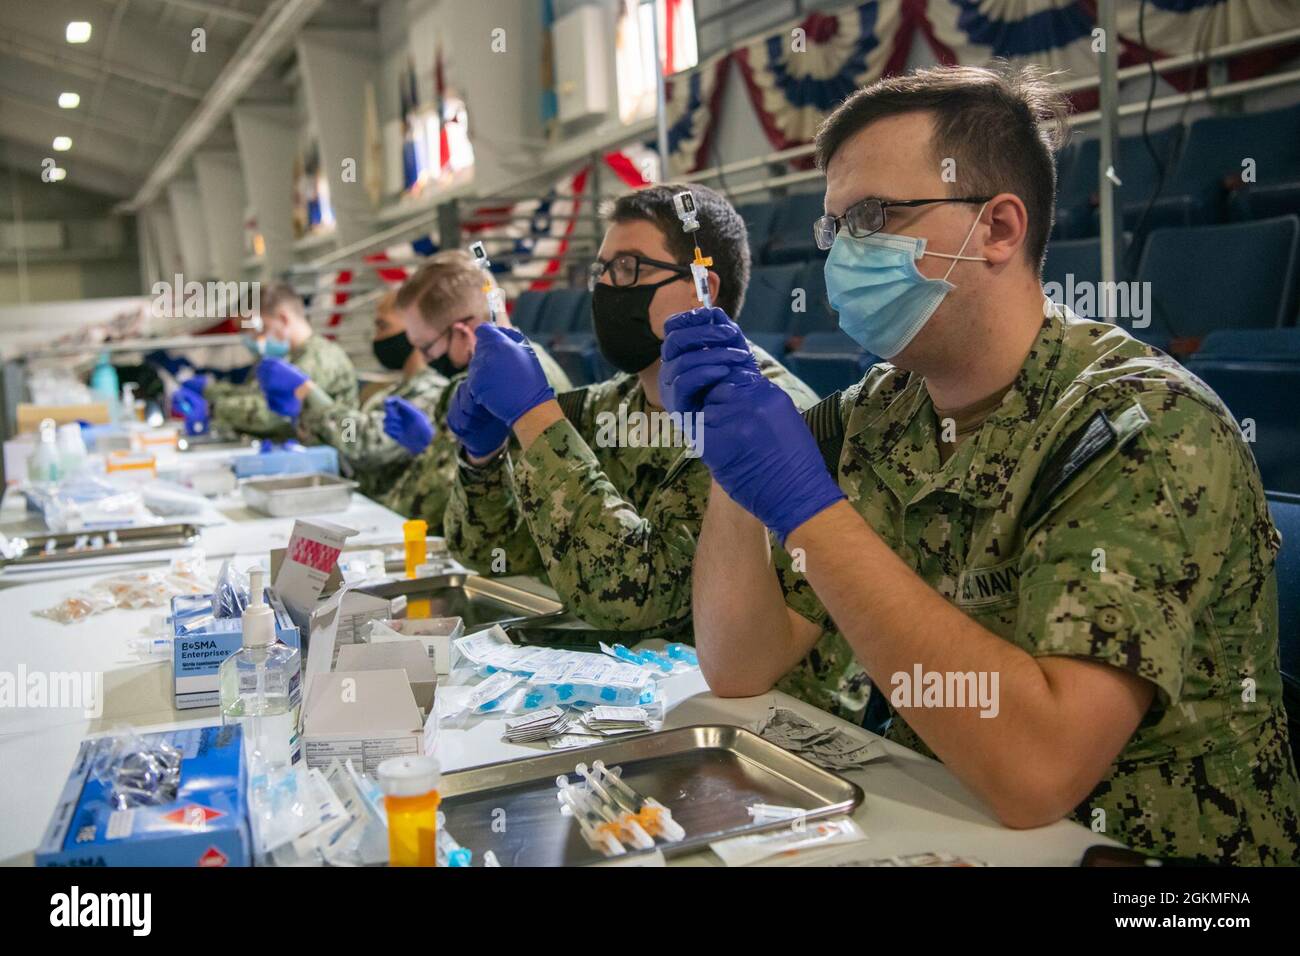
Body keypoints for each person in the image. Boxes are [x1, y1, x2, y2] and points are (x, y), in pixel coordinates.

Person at [662, 64, 1300, 865]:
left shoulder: (1141, 425)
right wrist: (733, 465)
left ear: (997, 228)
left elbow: (1038, 771)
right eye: (835, 228)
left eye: (871, 217)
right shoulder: (886, 408)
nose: (842, 255)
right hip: (956, 827)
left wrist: (806, 508)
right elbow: (739, 665)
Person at [442, 184, 818, 640]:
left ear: (703, 290)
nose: (604, 287)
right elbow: (496, 552)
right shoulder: (606, 407)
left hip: (761, 703)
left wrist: (534, 416)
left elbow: (639, 599)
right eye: (600, 270)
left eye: (627, 268)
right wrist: (481, 461)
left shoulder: (761, 413)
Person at [379, 250, 572, 529]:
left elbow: (424, 509)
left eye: (426, 348)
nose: (425, 360)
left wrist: (435, 457)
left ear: (462, 332)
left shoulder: (493, 383)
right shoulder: (533, 363)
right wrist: (431, 448)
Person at [255, 290, 451, 503]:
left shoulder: (431, 390)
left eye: (383, 326)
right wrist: (302, 421)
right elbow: (350, 437)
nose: (376, 337)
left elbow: (363, 446)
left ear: (415, 331)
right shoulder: (395, 389)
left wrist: (310, 394)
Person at [178, 283, 357, 440]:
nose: (253, 338)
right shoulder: (289, 357)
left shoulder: (319, 359)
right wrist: (209, 391)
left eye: (259, 328)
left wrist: (213, 409)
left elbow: (270, 413)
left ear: (283, 319)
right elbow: (254, 394)